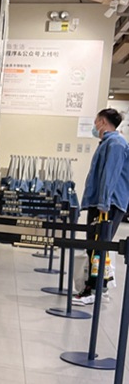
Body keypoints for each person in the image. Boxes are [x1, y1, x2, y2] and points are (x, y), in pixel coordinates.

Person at [73, 108, 129, 305]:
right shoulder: (109, 142)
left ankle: (94, 289)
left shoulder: (116, 144)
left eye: (96, 121)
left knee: (97, 247)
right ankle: (98, 286)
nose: (95, 126)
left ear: (103, 122)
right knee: (95, 246)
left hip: (108, 204)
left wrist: (104, 203)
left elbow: (110, 176)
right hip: (102, 202)